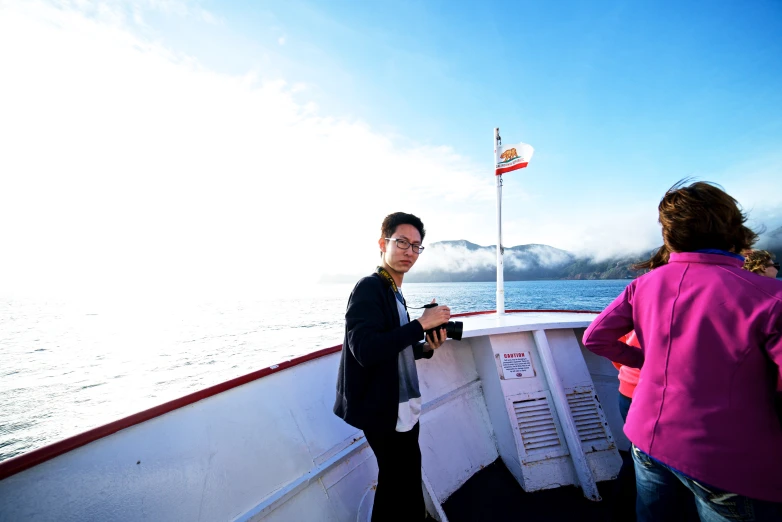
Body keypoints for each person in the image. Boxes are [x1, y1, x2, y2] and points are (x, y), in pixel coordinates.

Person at [582, 181, 782, 521]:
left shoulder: (644, 284)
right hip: (726, 459)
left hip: (648, 438)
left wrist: (646, 360)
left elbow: (595, 338)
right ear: (735, 228)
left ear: (669, 235)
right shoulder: (770, 296)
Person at [333, 212, 451, 522]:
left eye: (416, 246)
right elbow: (366, 350)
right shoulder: (369, 288)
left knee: (403, 482)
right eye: (401, 242)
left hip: (403, 407)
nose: (409, 252)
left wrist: (426, 347)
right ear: (382, 243)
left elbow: (395, 346)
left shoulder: (394, 292)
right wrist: (420, 324)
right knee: (398, 486)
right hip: (382, 411)